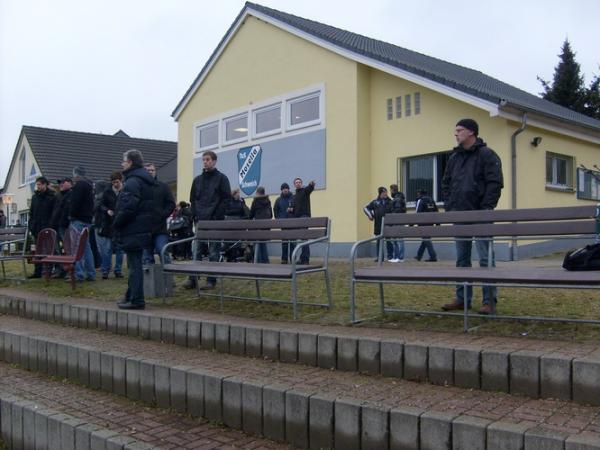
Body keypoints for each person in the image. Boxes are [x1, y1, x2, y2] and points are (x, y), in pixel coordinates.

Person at [441, 118, 504, 315]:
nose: (456, 133)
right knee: (462, 259)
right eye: (456, 130)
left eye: (459, 130)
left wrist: (486, 208)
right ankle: (462, 299)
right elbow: (446, 184)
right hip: (459, 214)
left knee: (485, 259)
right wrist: (451, 207)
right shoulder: (454, 158)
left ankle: (489, 301)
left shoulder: (487, 155)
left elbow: (495, 183)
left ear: (471, 132)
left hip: (480, 214)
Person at [184, 150, 232, 290]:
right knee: (197, 249)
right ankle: (193, 278)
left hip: (214, 220)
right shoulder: (197, 180)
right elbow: (193, 199)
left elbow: (226, 199)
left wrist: (217, 215)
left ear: (214, 161)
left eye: (208, 159)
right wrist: (195, 215)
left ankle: (211, 279)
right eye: (203, 159)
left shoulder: (222, 178)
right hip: (200, 220)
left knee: (213, 251)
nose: (205, 162)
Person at [113, 149, 155, 310]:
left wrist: (117, 222)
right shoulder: (143, 180)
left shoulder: (132, 182)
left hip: (133, 228)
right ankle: (130, 296)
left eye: (124, 161)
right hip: (141, 227)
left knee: (134, 265)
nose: (122, 163)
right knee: (134, 263)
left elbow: (128, 207)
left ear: (130, 162)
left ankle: (137, 299)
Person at [142, 163, 176, 265]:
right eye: (148, 170)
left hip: (160, 227)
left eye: (152, 170)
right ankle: (150, 280)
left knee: (162, 250)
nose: (150, 172)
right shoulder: (140, 187)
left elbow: (171, 204)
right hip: (144, 228)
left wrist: (163, 214)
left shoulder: (163, 186)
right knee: (147, 257)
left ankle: (167, 277)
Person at [94, 172, 124, 279]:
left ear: (121, 180)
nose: (115, 184)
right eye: (113, 182)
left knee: (119, 249)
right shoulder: (107, 191)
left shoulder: (125, 191)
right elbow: (101, 205)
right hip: (108, 223)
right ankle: (105, 270)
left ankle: (118, 270)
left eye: (117, 182)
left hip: (120, 223)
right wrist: (107, 211)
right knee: (107, 249)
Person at [69, 166, 96, 282]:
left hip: (78, 220)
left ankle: (78, 274)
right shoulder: (90, 186)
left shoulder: (79, 186)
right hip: (87, 220)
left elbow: (75, 202)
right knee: (86, 247)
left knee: (76, 247)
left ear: (76, 175)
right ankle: (90, 273)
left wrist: (71, 215)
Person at [27, 176, 56, 278]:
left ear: (45, 184)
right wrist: (31, 225)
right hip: (36, 228)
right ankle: (37, 272)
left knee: (49, 250)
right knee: (38, 250)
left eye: (39, 184)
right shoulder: (35, 197)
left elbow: (54, 212)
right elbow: (31, 212)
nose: (38, 186)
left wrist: (51, 224)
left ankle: (49, 271)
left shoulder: (52, 196)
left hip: (48, 227)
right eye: (37, 185)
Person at [50, 177, 73, 278]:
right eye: (60, 183)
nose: (61, 185)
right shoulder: (58, 196)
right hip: (56, 225)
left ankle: (70, 270)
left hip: (66, 226)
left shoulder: (72, 195)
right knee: (57, 250)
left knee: (68, 249)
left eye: (63, 182)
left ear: (70, 183)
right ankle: (60, 269)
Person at [288, 178, 315, 264]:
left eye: (299, 182)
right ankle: (303, 258)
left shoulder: (305, 191)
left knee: (304, 238)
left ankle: (305, 259)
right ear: (294, 185)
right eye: (296, 182)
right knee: (302, 239)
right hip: (297, 219)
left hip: (304, 217)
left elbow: (309, 188)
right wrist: (290, 209)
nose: (298, 183)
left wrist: (311, 185)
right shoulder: (294, 196)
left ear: (301, 183)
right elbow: (292, 208)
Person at [363, 187, 393, 261]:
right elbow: (365, 208)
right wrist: (370, 216)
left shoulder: (390, 202)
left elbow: (394, 211)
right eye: (384, 192)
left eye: (386, 192)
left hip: (388, 224)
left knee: (389, 241)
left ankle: (390, 257)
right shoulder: (375, 202)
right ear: (380, 193)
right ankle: (380, 257)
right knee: (379, 242)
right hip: (378, 225)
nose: (385, 194)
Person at [414, 189, 438, 262]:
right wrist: (437, 223)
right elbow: (436, 211)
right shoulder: (431, 200)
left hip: (422, 223)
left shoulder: (420, 200)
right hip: (431, 222)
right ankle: (419, 255)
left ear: (420, 194)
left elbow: (418, 213)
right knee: (425, 239)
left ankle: (433, 256)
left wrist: (412, 223)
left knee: (426, 239)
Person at [250, 186, 272, 263]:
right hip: (266, 226)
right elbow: (271, 214)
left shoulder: (255, 201)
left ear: (257, 193)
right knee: (263, 244)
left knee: (258, 244)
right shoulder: (268, 201)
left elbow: (251, 214)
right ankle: (266, 261)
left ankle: (259, 261)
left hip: (258, 226)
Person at [273, 182, 293, 264]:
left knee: (292, 242)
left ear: (288, 189)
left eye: (286, 188)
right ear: (281, 190)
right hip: (283, 223)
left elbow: (296, 207)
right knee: (284, 242)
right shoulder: (278, 200)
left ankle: (293, 258)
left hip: (292, 223)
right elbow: (275, 210)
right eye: (283, 188)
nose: (285, 190)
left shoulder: (293, 198)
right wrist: (278, 219)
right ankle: (284, 259)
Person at [389, 184, 407, 262]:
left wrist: (393, 217)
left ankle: (400, 257)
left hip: (397, 221)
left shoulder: (397, 199)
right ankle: (396, 257)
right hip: (398, 220)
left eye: (390, 190)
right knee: (396, 239)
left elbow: (398, 210)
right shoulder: (398, 198)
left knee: (398, 240)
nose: (390, 192)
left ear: (393, 190)